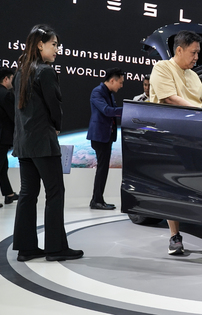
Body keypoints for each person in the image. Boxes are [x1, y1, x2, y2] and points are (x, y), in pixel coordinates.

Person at [12, 24, 83, 262]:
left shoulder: (22, 70)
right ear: (40, 44)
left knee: (27, 193)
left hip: (24, 142)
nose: (57, 50)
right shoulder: (45, 71)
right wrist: (57, 125)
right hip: (43, 141)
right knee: (55, 192)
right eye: (54, 45)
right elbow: (54, 106)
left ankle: (26, 247)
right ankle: (55, 248)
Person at [149, 30, 202, 255]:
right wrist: (200, 111)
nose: (197, 57)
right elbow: (169, 98)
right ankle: (174, 236)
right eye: (194, 52)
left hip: (197, 138)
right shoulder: (162, 68)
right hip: (172, 137)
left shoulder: (194, 76)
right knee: (173, 187)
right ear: (179, 50)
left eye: (198, 53)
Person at [87, 68, 124, 210]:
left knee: (103, 169)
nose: (121, 86)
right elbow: (107, 111)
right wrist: (128, 108)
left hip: (106, 136)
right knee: (102, 169)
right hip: (99, 137)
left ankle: (97, 199)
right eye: (120, 82)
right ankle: (97, 200)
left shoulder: (108, 93)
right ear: (112, 80)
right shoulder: (97, 92)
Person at [0, 68, 19, 208]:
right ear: (6, 79)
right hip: (0, 137)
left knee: (2, 167)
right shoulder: (5, 95)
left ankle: (8, 194)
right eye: (12, 78)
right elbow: (14, 116)